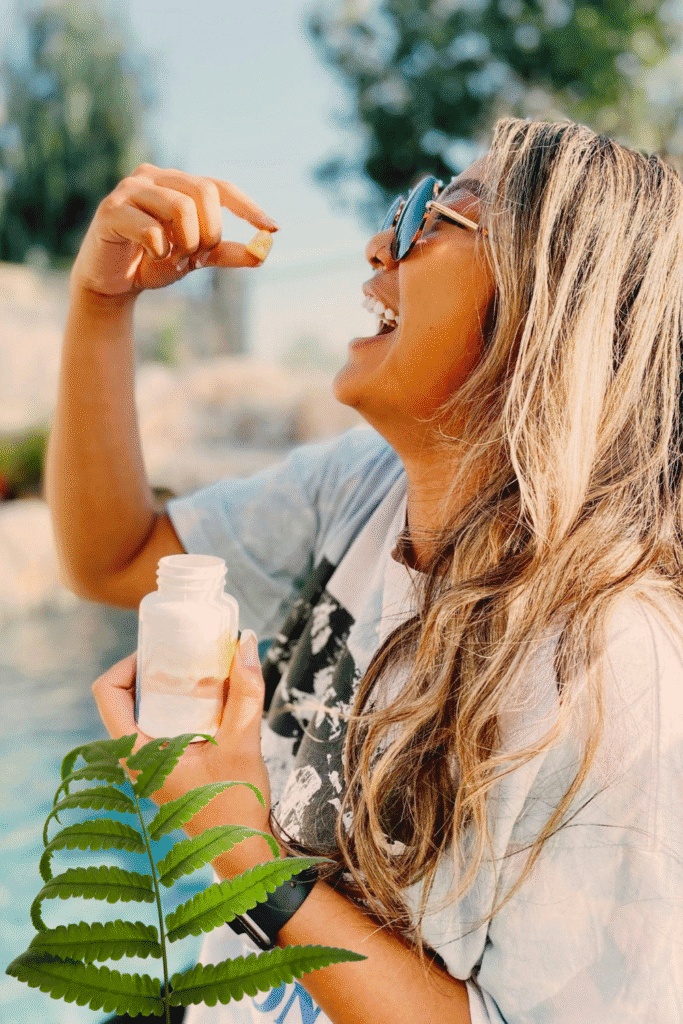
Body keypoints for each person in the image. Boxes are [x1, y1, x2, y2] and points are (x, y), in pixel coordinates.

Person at [46, 117, 683, 1024]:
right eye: (403, 206)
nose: (382, 242)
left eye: (436, 216)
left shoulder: (614, 674)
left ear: (550, 305)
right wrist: (101, 302)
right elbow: (114, 558)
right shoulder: (366, 485)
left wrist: (241, 849)